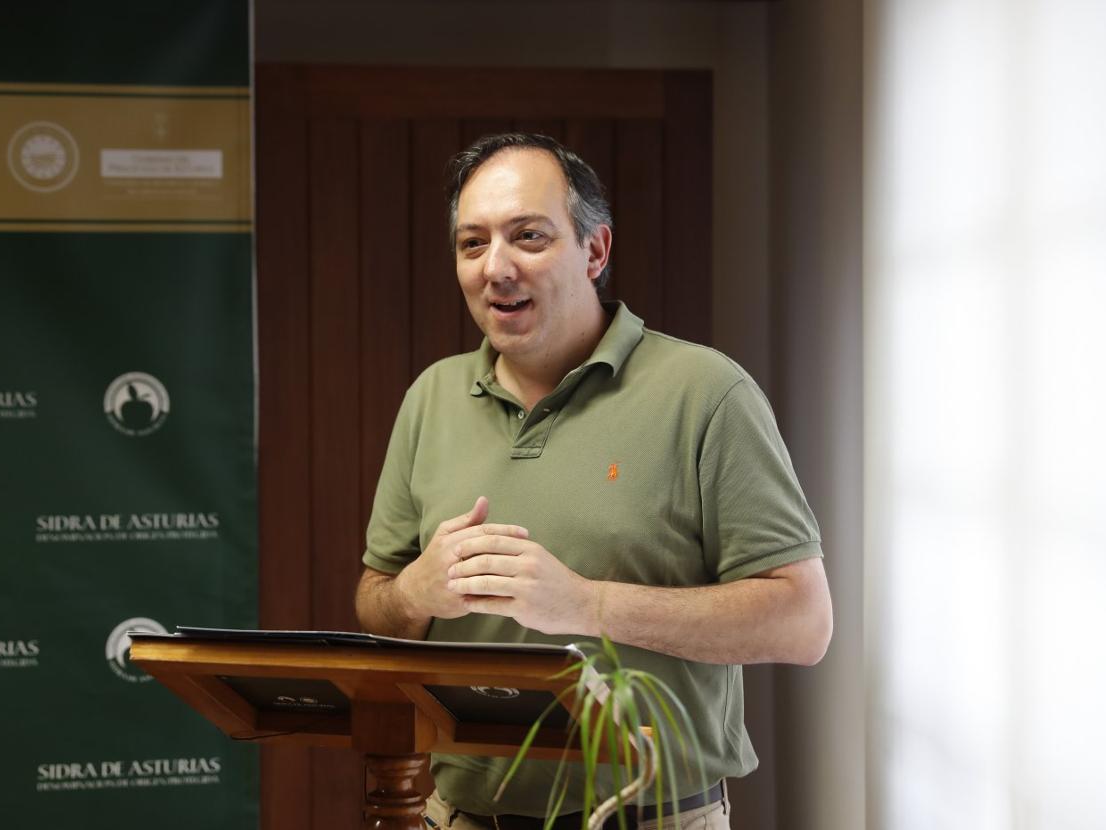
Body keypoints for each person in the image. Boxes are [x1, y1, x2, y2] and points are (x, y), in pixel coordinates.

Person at [355, 133, 832, 830]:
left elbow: (803, 622)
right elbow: (374, 603)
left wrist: (583, 604)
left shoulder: (706, 392)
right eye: (472, 243)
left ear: (595, 251)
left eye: (528, 236)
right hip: (456, 815)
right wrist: (414, 594)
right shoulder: (429, 397)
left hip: (652, 816)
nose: (496, 267)